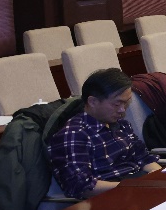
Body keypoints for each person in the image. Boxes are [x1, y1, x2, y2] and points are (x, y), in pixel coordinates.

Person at [47, 68, 160, 199]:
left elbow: (144, 158)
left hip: (135, 187)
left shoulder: (121, 124)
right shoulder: (73, 134)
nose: (122, 110)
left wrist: (161, 177)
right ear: (92, 102)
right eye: (117, 104)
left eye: (126, 103)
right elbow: (82, 187)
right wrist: (131, 186)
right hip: (109, 197)